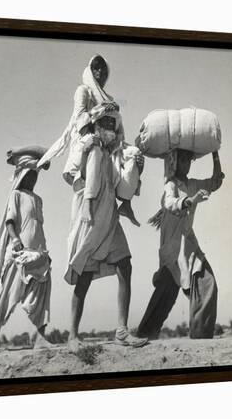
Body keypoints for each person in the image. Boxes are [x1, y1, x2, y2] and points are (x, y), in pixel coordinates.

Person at [62, 108, 148, 351]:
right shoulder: (92, 147)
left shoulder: (114, 154)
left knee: (125, 264)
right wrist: (88, 206)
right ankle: (72, 335)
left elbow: (122, 188)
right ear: (97, 124)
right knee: (85, 275)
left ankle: (122, 330)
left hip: (110, 216)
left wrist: (136, 167)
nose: (109, 126)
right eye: (105, 122)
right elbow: (79, 178)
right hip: (90, 216)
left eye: (113, 122)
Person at [38, 54, 141, 226]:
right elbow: (80, 122)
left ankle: (126, 202)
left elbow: (117, 130)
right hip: (87, 141)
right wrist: (101, 110)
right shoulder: (83, 91)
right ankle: (87, 201)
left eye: (103, 68)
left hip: (109, 143)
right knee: (95, 147)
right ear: (90, 69)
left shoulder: (109, 99)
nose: (99, 71)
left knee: (136, 154)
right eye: (96, 67)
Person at [137, 150, 224, 339]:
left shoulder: (192, 184)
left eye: (188, 160)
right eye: (182, 160)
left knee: (207, 284)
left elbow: (215, 181)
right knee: (165, 294)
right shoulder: (170, 184)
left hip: (188, 246)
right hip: (172, 249)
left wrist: (215, 154)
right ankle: (144, 335)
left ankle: (201, 336)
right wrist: (191, 201)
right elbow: (169, 203)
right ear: (174, 163)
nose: (187, 164)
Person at [0, 149, 53, 350]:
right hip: (19, 252)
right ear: (22, 175)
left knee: (42, 294)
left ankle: (40, 337)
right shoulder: (15, 195)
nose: (33, 178)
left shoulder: (38, 199)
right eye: (29, 174)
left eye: (35, 175)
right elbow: (10, 221)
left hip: (39, 251)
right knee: (8, 294)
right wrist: (15, 240)